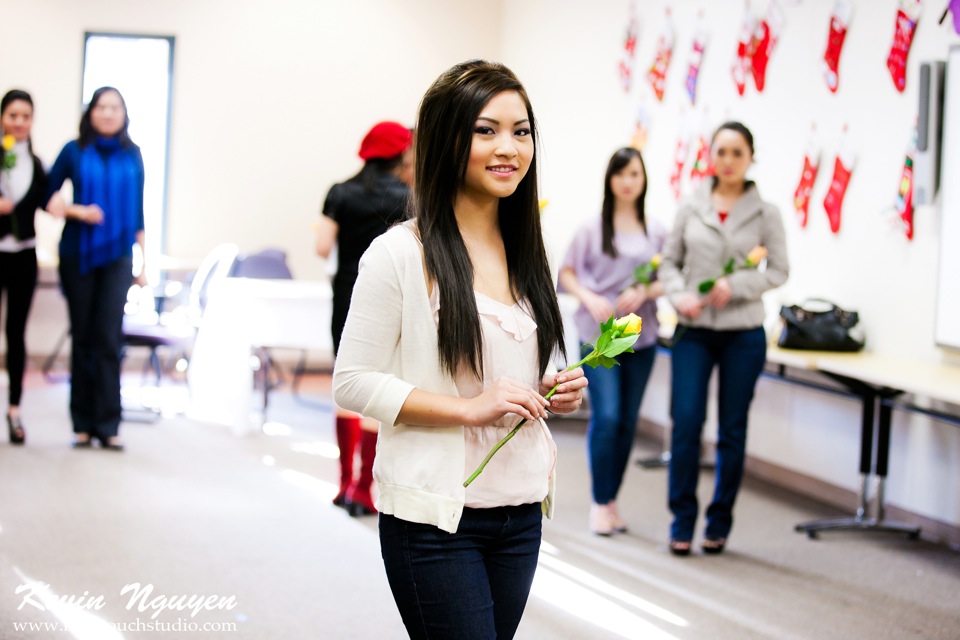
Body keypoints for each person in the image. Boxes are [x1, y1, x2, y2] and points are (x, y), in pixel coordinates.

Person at [333, 59, 587, 639]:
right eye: (486, 129)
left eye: (521, 131)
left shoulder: (527, 252)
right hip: (434, 518)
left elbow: (534, 362)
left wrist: (559, 384)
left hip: (520, 512)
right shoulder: (399, 253)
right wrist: (468, 407)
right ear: (448, 139)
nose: (509, 147)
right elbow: (351, 380)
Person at [658, 121, 789, 556]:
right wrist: (680, 297)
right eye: (721, 152)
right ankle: (681, 520)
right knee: (687, 423)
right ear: (711, 157)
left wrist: (739, 286)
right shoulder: (690, 205)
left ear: (751, 157)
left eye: (737, 152)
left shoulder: (766, 212)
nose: (728, 160)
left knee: (732, 431)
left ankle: (719, 523)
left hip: (743, 334)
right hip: (694, 331)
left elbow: (778, 271)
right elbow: (669, 264)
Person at [557, 147, 666, 536]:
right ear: (610, 180)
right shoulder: (590, 229)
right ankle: (600, 504)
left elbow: (670, 276)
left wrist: (646, 292)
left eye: (634, 173)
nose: (627, 181)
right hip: (598, 338)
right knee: (608, 417)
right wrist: (588, 296)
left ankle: (611, 501)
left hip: (641, 337)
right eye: (620, 174)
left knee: (627, 424)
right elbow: (566, 272)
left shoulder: (657, 231)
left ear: (643, 180)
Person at [315, 121, 414, 516]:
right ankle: (361, 487)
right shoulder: (408, 197)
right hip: (391, 299)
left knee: (348, 381)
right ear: (402, 154)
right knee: (378, 387)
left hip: (346, 296)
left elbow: (322, 247)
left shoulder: (339, 192)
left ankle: (341, 482)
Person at [44, 86, 147, 451]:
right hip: (78, 254)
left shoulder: (132, 154)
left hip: (118, 257)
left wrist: (142, 263)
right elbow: (47, 194)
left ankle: (109, 423)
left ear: (123, 113)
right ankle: (83, 424)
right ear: (91, 113)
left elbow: (139, 213)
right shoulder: (73, 151)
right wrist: (78, 210)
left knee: (108, 339)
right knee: (84, 337)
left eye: (114, 107)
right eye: (101, 107)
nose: (108, 113)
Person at [0, 90, 48, 445]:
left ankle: (14, 410)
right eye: (13, 115)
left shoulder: (37, 163)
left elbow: (48, 200)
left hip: (24, 257)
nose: (19, 122)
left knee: (16, 334)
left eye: (25, 116)